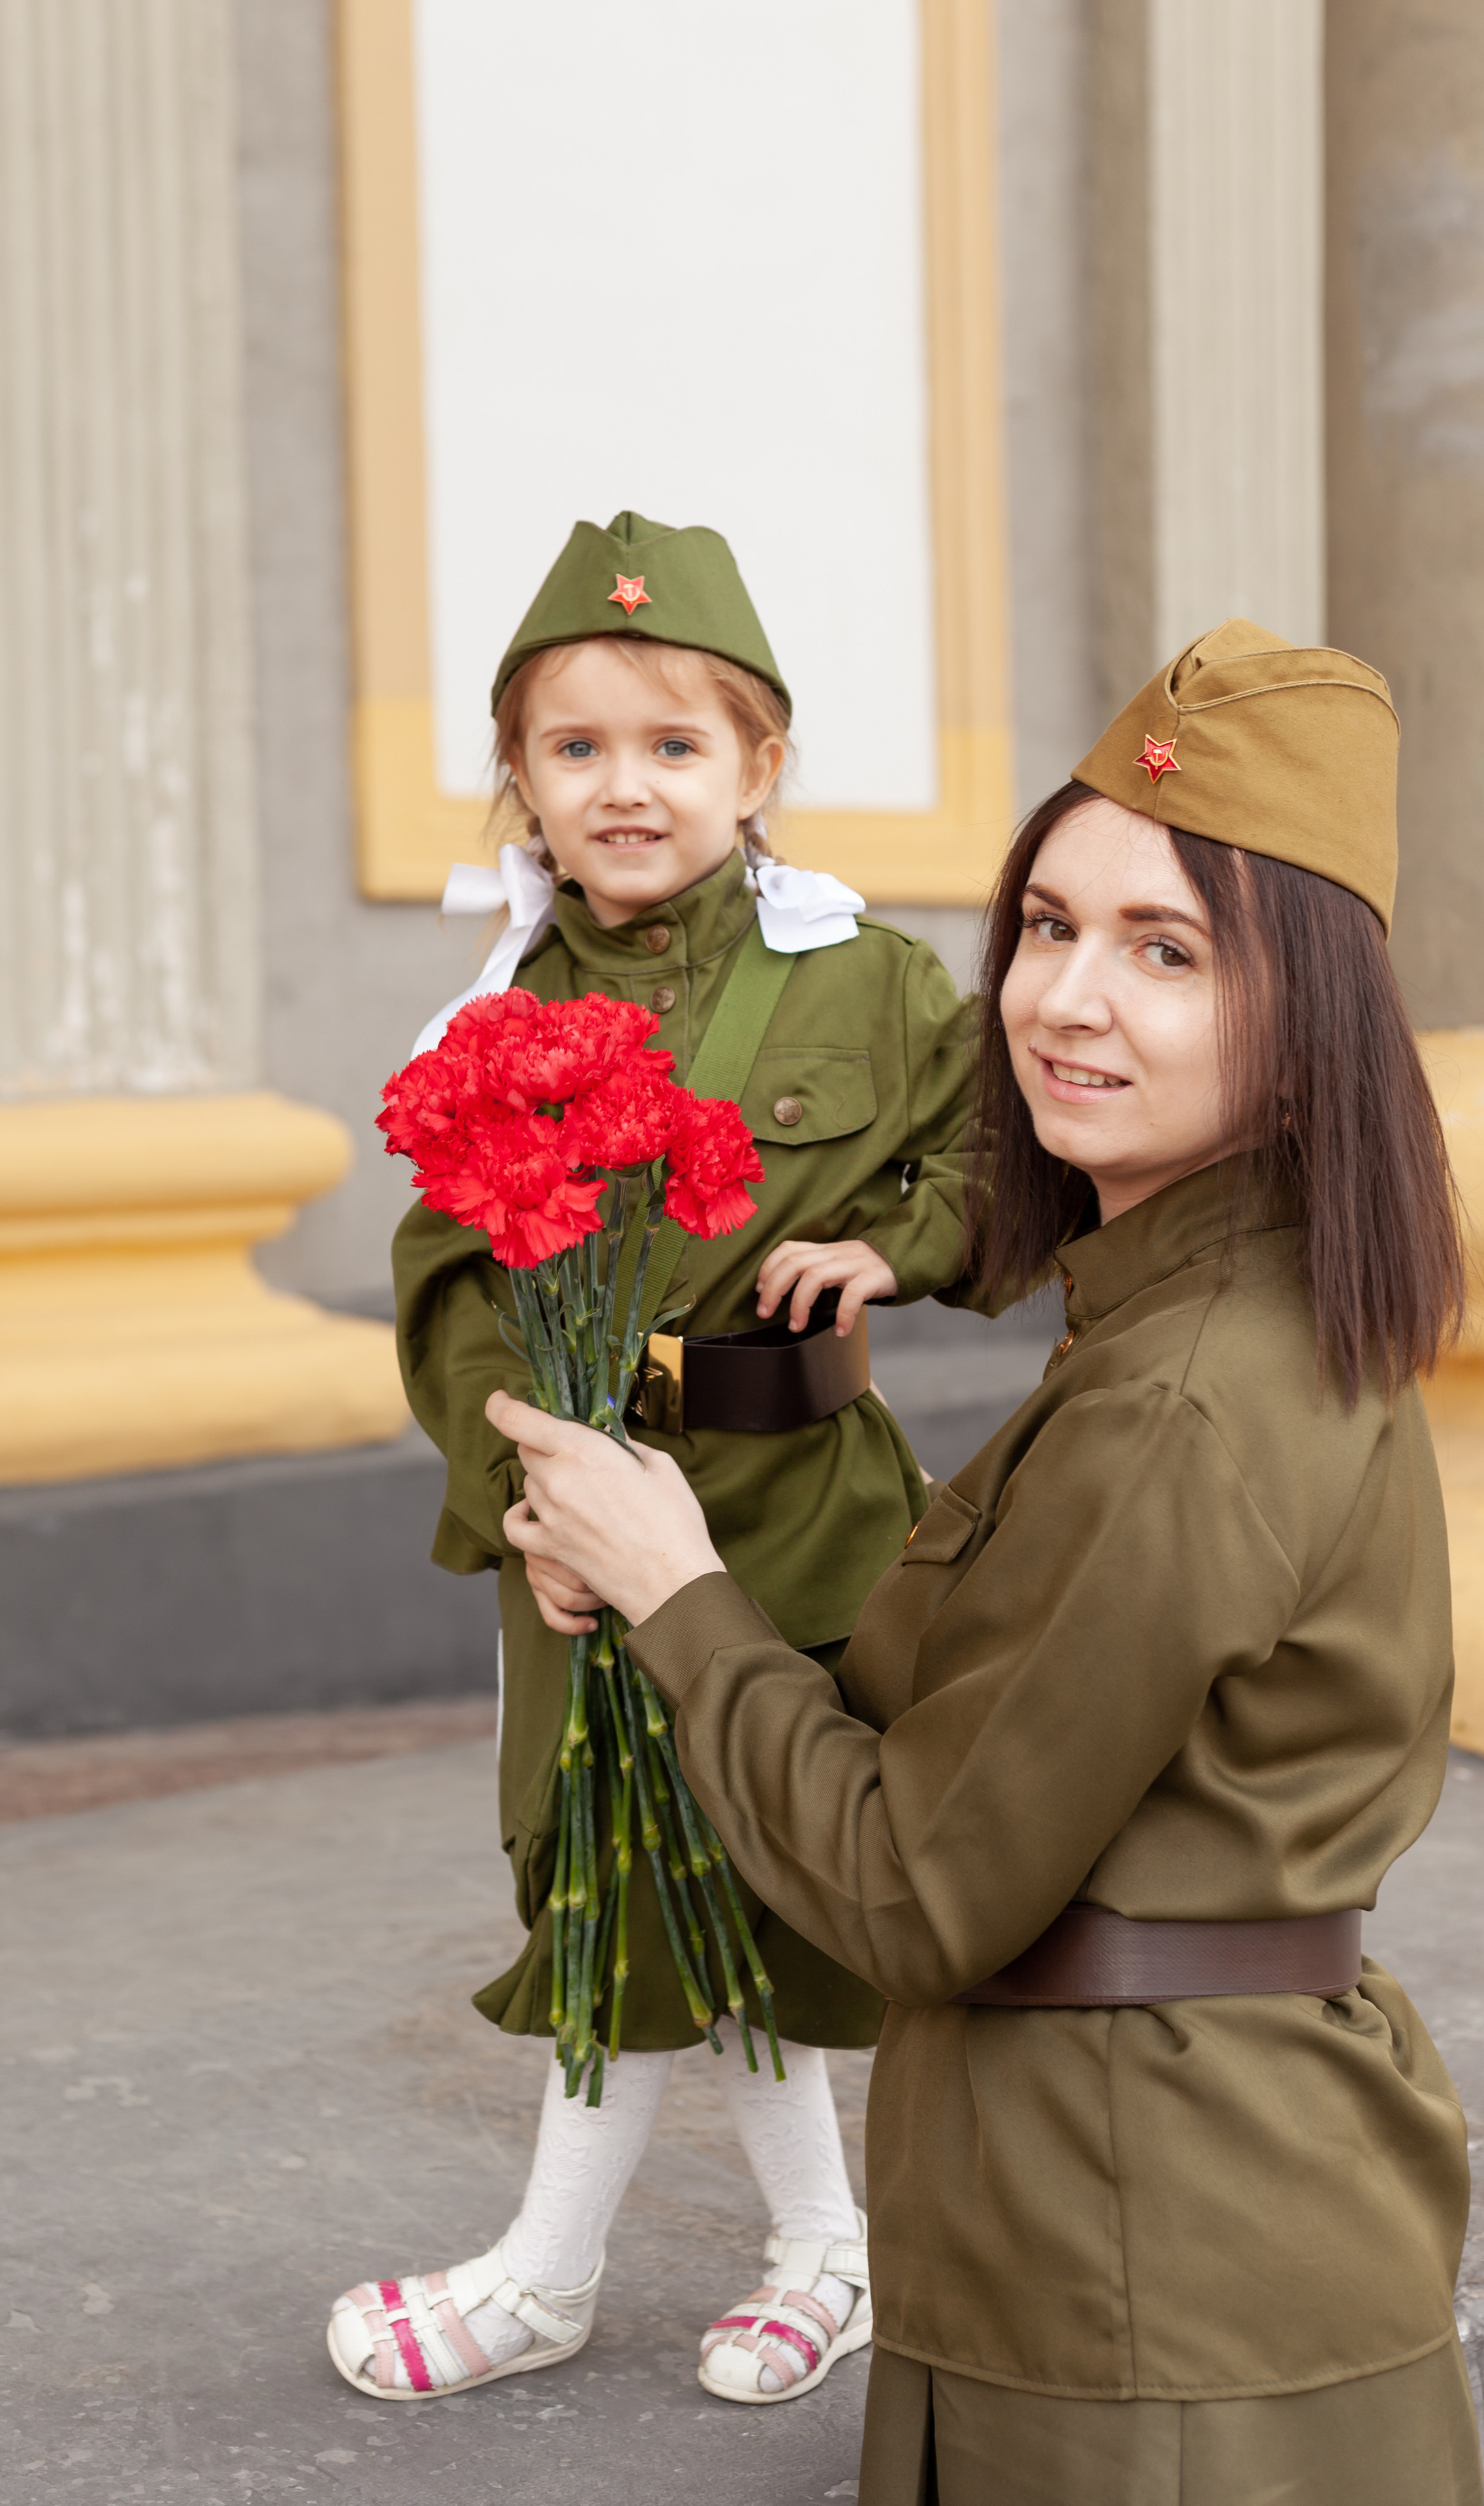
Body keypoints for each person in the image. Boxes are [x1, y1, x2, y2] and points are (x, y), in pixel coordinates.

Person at [492, 619, 1484, 2503]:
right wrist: (650, 1570)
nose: (1067, 1000)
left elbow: (911, 1887)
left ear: (1313, 1020)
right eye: (1049, 927)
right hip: (1165, 2227)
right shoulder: (1213, 1315)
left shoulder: (1183, 1400)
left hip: (1137, 2288)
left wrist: (687, 1602)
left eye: (1167, 950)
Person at [326, 512, 978, 2407]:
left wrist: (898, 1245)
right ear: (518, 778)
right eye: (579, 746)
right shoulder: (503, 1017)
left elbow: (995, 1162)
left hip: (801, 1514)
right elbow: (449, 1286)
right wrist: (526, 1490)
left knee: (767, 1874)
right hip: (592, 1523)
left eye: (676, 744)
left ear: (759, 767)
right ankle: (770, 2254)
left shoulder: (866, 980)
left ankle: (654, 2265)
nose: (628, 786)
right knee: (616, 1875)